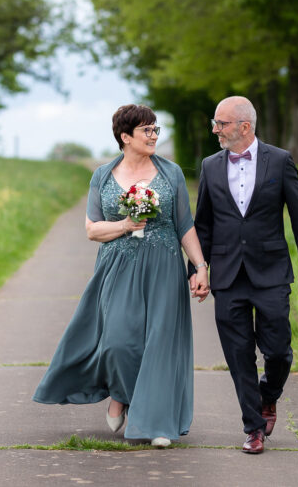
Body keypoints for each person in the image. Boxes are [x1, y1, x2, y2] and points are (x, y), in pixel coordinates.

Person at [33, 104, 210, 448]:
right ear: (125, 136)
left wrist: (200, 267)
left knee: (159, 345)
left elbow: (185, 225)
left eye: (156, 129)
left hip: (163, 267)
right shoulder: (102, 176)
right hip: (117, 268)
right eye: (146, 130)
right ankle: (119, 394)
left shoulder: (171, 172)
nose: (153, 136)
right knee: (117, 343)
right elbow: (91, 229)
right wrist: (125, 225)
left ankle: (156, 424)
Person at [191, 95, 298, 454]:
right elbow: (203, 224)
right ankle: (254, 428)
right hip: (228, 274)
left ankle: (269, 396)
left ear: (244, 126)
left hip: (271, 272)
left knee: (278, 351)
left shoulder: (279, 160)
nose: (215, 129)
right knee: (238, 354)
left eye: (221, 123)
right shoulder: (210, 165)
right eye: (215, 123)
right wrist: (197, 270)